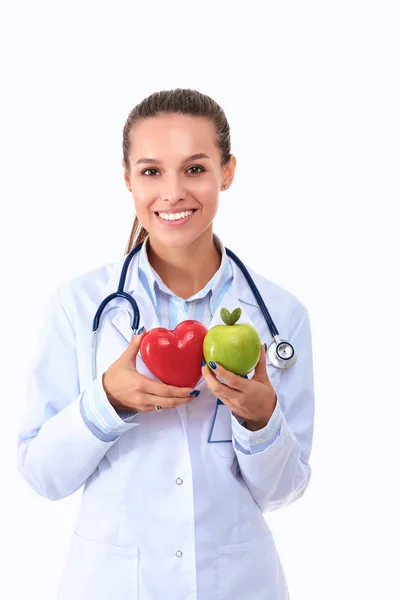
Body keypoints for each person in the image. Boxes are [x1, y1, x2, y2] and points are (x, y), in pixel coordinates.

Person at [17, 88, 315, 600]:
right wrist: (105, 401)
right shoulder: (79, 305)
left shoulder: (280, 314)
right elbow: (43, 476)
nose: (173, 192)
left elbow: (283, 491)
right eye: (152, 171)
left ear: (228, 172)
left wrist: (261, 421)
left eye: (195, 168)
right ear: (127, 179)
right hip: (112, 584)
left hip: (238, 584)